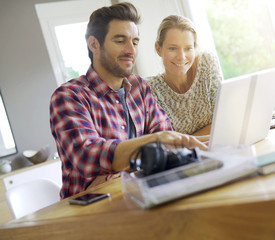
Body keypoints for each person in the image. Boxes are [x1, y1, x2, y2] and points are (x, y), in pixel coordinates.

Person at [49, 3, 207, 199]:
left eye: (134, 42)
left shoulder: (139, 87)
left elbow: (165, 141)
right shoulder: (69, 96)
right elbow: (87, 156)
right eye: (120, 41)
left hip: (137, 196)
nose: (130, 50)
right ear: (94, 44)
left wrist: (157, 145)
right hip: (90, 209)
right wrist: (153, 143)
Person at [146, 15, 223, 136]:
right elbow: (167, 144)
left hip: (222, 147)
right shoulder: (150, 89)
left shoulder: (206, 64)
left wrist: (186, 140)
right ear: (158, 49)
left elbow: (223, 120)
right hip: (187, 155)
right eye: (173, 48)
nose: (181, 57)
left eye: (188, 48)